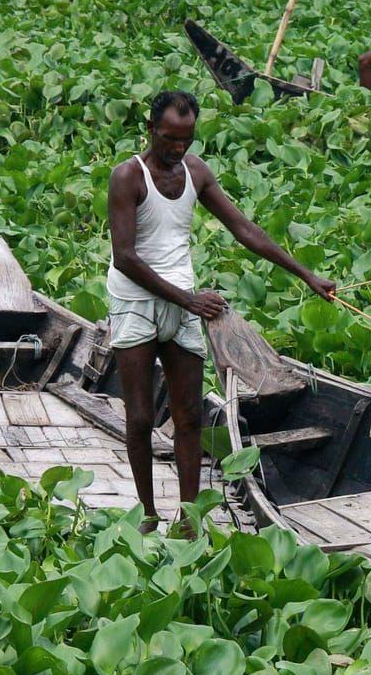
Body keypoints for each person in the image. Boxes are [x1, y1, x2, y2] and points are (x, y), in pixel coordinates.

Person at [107, 90, 334, 534]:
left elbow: (244, 229)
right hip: (135, 302)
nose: (178, 148)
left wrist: (306, 275)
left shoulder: (196, 172)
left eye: (186, 139)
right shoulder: (127, 177)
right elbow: (125, 258)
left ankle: (189, 519)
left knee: (190, 416)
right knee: (140, 417)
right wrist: (188, 300)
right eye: (170, 138)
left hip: (182, 301)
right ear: (151, 129)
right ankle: (148, 514)